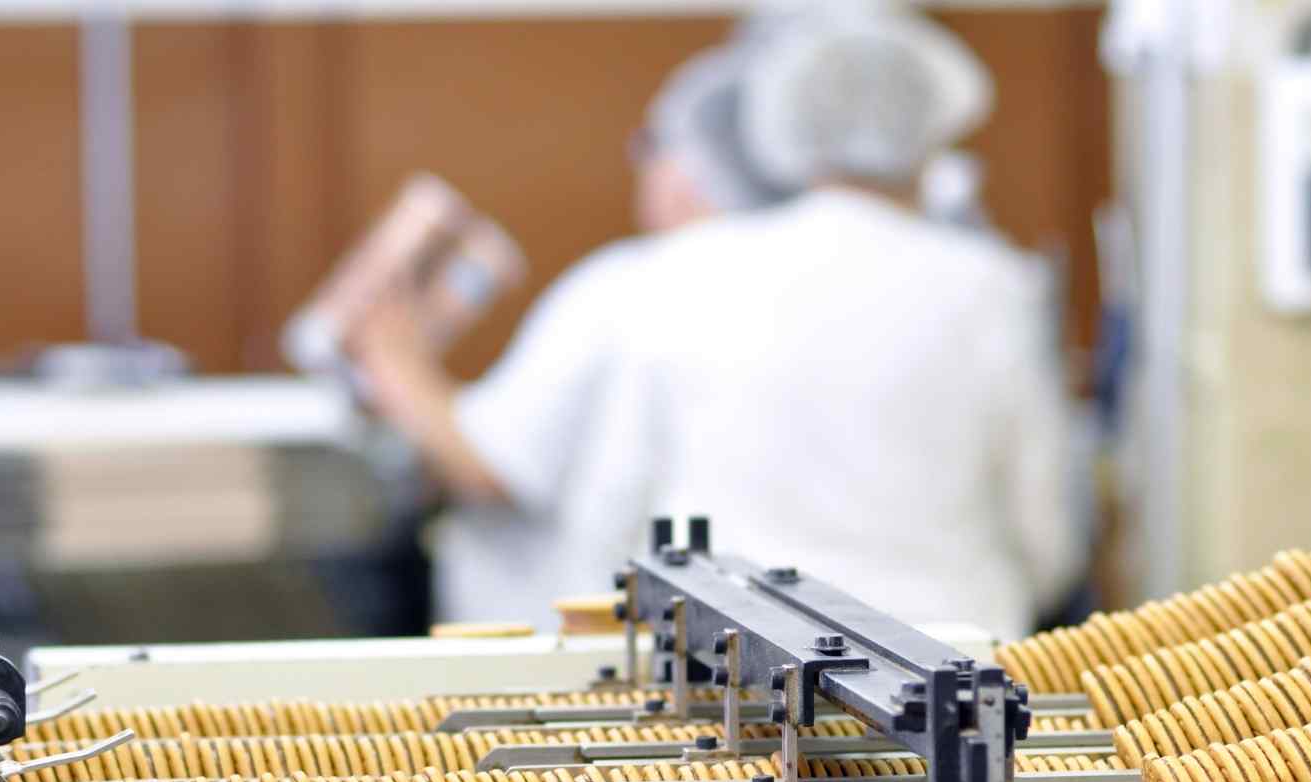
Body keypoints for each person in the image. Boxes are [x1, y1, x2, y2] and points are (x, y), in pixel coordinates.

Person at [354, 6, 1079, 641]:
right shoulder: (991, 288)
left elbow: (616, 507)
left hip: (736, 670)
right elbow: (1047, 533)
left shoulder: (686, 273)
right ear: (933, 136)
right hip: (952, 657)